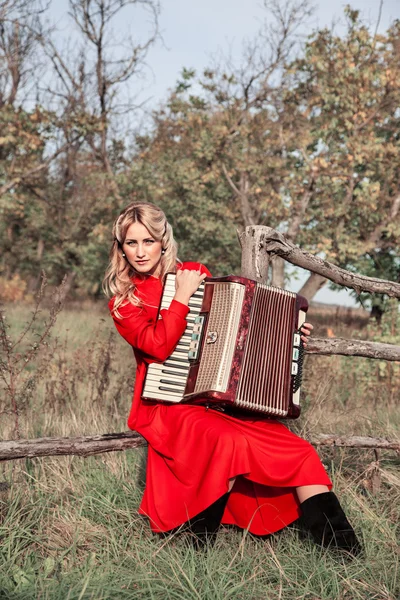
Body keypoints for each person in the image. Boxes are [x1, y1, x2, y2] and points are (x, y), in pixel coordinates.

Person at [103, 201, 361, 555]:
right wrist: (180, 297)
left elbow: (235, 330)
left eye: (148, 241)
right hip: (167, 404)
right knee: (226, 442)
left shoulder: (194, 273)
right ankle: (198, 546)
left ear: (163, 241)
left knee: (298, 450)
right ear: (121, 248)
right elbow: (157, 347)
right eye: (131, 243)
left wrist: (289, 334)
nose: (140, 251)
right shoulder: (123, 301)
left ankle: (344, 553)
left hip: (215, 399)